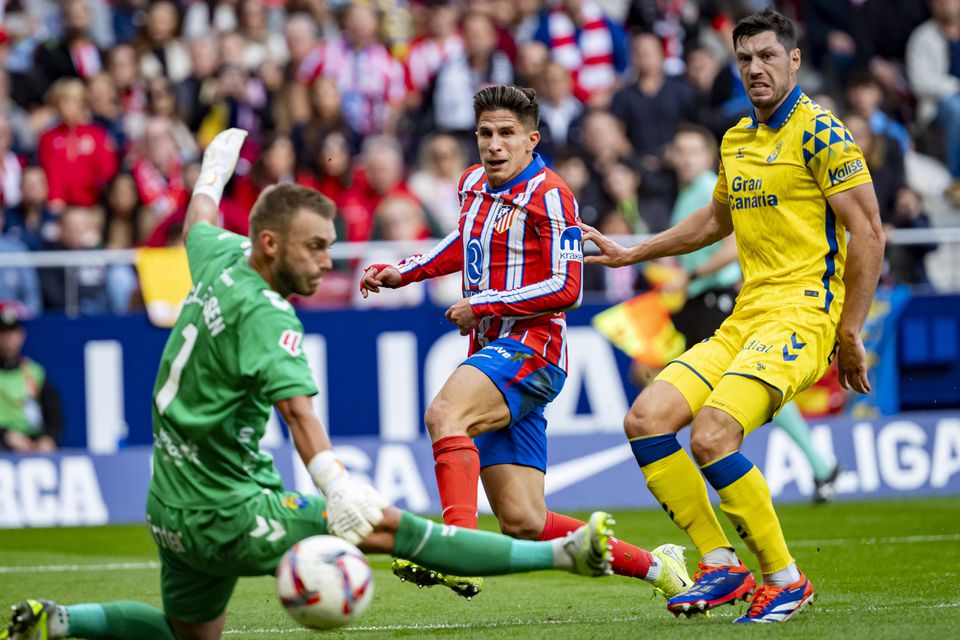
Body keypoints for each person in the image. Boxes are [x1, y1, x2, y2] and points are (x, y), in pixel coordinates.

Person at [2, 128, 615, 640]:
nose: (327, 264)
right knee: (399, 530)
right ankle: (562, 553)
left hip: (168, 504)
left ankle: (63, 621)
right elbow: (298, 416)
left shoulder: (217, 256)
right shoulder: (270, 318)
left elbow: (199, 217)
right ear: (269, 244)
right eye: (316, 249)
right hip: (230, 507)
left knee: (189, 634)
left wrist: (212, 169)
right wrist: (336, 487)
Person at [580, 9, 883, 623]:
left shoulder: (822, 133)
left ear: (794, 60)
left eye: (768, 56)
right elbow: (716, 220)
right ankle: (721, 564)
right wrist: (636, 250)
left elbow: (869, 230)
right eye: (745, 59)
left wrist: (848, 328)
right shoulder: (738, 138)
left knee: (714, 434)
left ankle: (787, 578)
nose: (755, 69)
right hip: (746, 317)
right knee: (646, 418)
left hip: (802, 316)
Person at [359, 85, 691, 600]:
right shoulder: (472, 182)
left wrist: (484, 305)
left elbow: (569, 286)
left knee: (445, 414)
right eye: (486, 133)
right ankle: (658, 568)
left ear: (531, 140)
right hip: (493, 354)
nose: (494, 144)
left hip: (534, 350)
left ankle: (456, 549)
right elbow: (463, 241)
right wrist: (403, 272)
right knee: (523, 520)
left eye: (507, 134)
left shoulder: (551, 193)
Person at [659, 124, 841, 504]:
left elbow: (730, 245)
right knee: (730, 387)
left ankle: (815, 465)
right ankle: (816, 465)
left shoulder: (710, 186)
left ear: (708, 156)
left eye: (694, 149)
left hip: (718, 299)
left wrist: (690, 274)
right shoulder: (690, 193)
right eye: (682, 149)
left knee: (741, 386)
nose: (687, 157)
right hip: (697, 302)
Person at [0, 306, 61, 453]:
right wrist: (5, 436)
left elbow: (53, 411)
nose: (9, 339)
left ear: (22, 335)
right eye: (4, 333)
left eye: (13, 333)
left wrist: (49, 438)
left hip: (32, 443)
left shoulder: (34, 372)